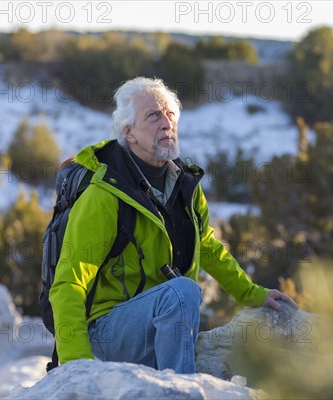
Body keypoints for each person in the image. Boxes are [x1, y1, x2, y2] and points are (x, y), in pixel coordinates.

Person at [49, 77, 297, 373]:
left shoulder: (184, 185)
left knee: (182, 293)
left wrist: (252, 293)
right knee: (183, 291)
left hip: (161, 323)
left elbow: (207, 246)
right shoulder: (103, 196)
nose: (167, 123)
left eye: (170, 114)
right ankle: (179, 388)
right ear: (129, 132)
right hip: (107, 331)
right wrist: (76, 364)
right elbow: (69, 283)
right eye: (153, 116)